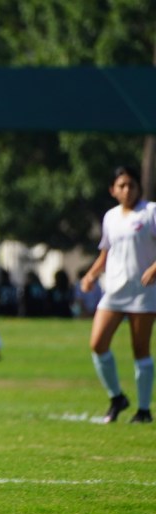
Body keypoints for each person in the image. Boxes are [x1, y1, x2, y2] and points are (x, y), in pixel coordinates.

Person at [80, 165, 156, 424]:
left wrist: (154, 268)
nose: (127, 190)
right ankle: (117, 397)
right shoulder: (110, 217)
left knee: (140, 350)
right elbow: (106, 252)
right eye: (121, 185)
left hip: (143, 292)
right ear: (113, 190)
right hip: (114, 289)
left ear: (138, 187)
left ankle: (144, 410)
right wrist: (91, 275)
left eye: (131, 185)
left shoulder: (150, 212)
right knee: (97, 343)